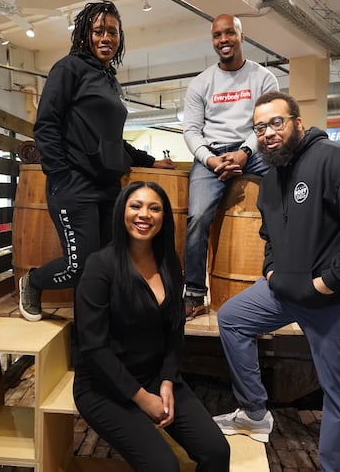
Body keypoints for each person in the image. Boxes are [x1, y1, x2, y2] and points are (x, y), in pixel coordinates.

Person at [213, 91, 340, 472]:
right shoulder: (272, 179)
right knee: (232, 318)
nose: (268, 133)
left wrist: (327, 283)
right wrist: (270, 272)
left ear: (298, 123)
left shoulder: (336, 160)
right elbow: (270, 235)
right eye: (260, 126)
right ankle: (254, 411)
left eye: (276, 122)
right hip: (291, 289)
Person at [19, 0, 174, 321]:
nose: (106, 38)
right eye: (98, 31)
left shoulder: (108, 78)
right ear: (84, 34)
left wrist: (148, 160)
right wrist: (60, 175)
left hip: (108, 189)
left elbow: (113, 139)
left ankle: (92, 333)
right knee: (79, 267)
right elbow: (46, 125)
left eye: (113, 32)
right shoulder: (68, 68)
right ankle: (32, 281)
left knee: (106, 264)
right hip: (74, 185)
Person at [73, 181, 230, 472]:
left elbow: (174, 331)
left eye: (154, 208)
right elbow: (93, 347)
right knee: (163, 466)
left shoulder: (169, 263)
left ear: (163, 217)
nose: (144, 214)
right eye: (136, 206)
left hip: (156, 377)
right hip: (104, 387)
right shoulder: (100, 266)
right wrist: (143, 399)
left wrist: (168, 380)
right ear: (122, 211)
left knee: (217, 451)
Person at [182, 13, 279, 320]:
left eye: (229, 33)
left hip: (256, 149)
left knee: (286, 194)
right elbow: (191, 131)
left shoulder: (263, 78)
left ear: (241, 36)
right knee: (197, 218)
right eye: (216, 35)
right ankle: (195, 294)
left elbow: (267, 122)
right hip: (211, 156)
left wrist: (245, 152)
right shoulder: (201, 83)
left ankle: (288, 278)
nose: (223, 40)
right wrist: (210, 159)